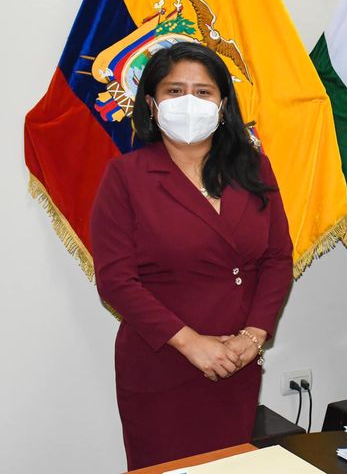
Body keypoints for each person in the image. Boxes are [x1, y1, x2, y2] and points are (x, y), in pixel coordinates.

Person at [91, 43, 293, 469]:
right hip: (162, 366)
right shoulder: (125, 176)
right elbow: (116, 280)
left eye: (203, 92)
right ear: (151, 103)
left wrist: (254, 336)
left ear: (223, 104)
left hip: (237, 363)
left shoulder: (254, 167)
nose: (188, 102)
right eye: (174, 90)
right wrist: (191, 343)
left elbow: (277, 258)